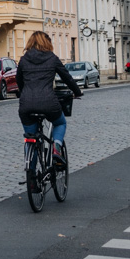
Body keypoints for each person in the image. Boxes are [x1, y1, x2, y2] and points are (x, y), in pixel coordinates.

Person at [16, 31, 82, 168]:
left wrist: (24, 94)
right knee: (60, 123)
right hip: (48, 103)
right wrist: (77, 92)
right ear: (47, 43)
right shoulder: (52, 58)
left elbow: (19, 81)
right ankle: (56, 147)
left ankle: (32, 178)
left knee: (30, 139)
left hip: (26, 105)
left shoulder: (23, 59)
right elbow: (66, 77)